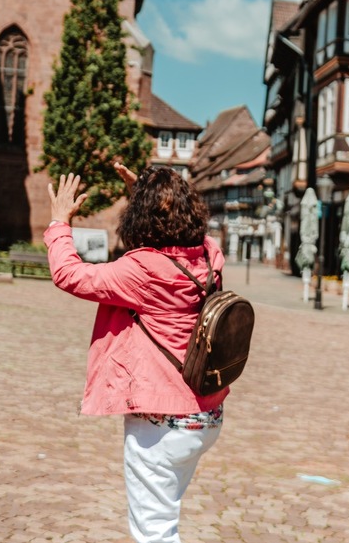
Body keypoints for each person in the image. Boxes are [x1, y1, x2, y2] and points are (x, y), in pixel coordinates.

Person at [45, 164, 228, 543]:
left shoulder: (141, 269)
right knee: (165, 518)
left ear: (141, 218)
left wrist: (59, 222)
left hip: (160, 422)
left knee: (155, 533)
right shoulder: (211, 257)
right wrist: (148, 194)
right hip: (204, 414)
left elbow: (69, 274)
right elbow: (179, 234)